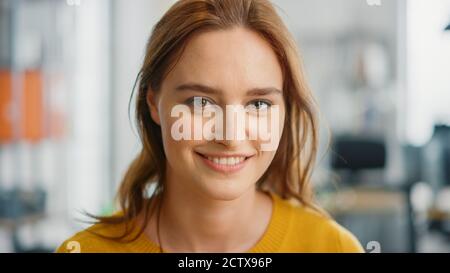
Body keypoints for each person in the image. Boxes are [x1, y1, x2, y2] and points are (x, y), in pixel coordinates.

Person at [57, 0, 364, 253]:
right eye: (200, 102)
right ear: (154, 102)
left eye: (258, 104)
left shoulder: (333, 247)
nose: (230, 136)